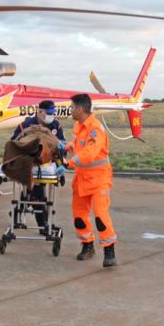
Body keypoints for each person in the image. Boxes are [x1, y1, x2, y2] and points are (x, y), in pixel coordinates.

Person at [64, 93, 117, 267]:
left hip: (99, 179)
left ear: (80, 109)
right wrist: (65, 146)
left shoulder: (95, 128)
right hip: (82, 179)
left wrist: (69, 163)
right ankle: (87, 246)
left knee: (101, 216)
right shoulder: (79, 126)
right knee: (79, 216)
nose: (70, 111)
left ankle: (109, 251)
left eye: (72, 108)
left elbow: (90, 153)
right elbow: (78, 145)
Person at [11, 100, 66, 233]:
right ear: (40, 112)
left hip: (47, 164)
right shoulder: (26, 126)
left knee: (31, 192)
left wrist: (61, 167)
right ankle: (43, 225)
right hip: (31, 164)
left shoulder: (55, 126)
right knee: (37, 194)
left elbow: (62, 147)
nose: (51, 116)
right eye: (48, 113)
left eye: (53, 113)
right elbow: (14, 143)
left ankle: (17, 215)